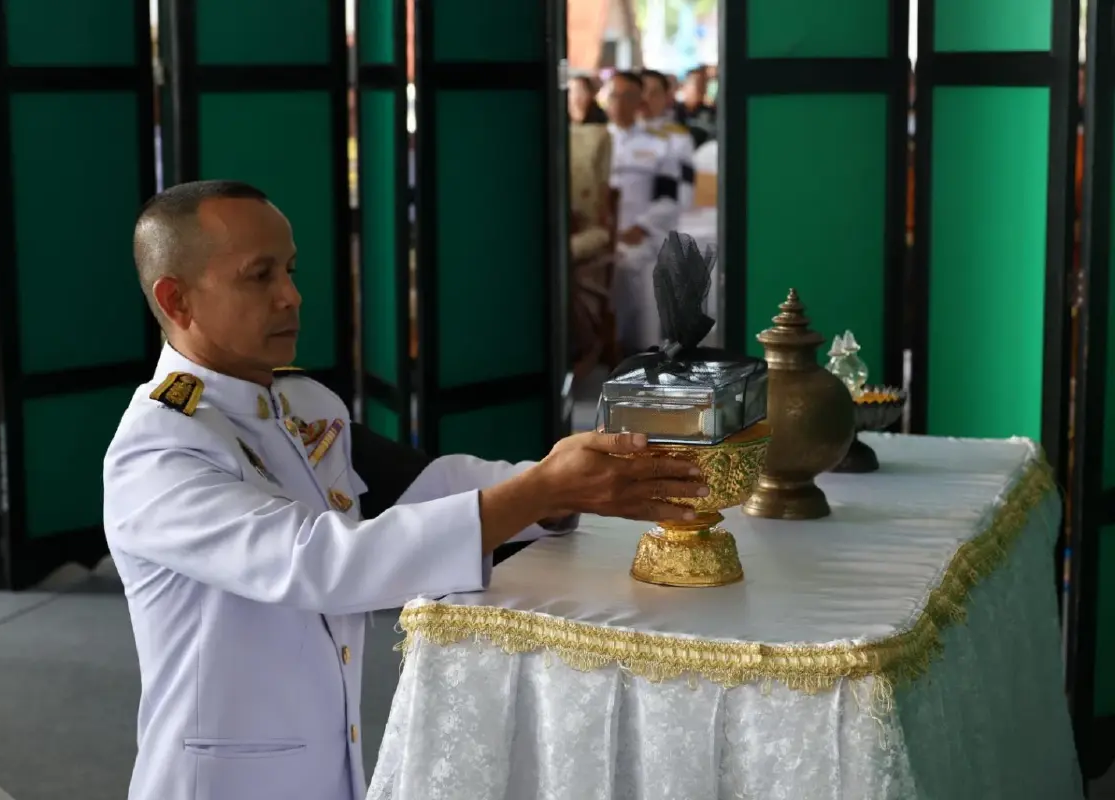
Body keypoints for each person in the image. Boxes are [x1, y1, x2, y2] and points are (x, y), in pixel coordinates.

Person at [103, 180, 707, 800]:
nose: (292, 296)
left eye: (289, 270)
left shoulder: (302, 402)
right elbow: (319, 563)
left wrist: (558, 485)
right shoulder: (160, 449)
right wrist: (539, 492)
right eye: (259, 277)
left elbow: (425, 486)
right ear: (177, 301)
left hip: (326, 767)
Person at [605, 72, 682, 353]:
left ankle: (629, 348)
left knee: (626, 268)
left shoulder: (659, 146)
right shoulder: (594, 142)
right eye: (614, 95)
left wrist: (642, 227)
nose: (619, 103)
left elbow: (669, 202)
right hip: (599, 236)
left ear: (640, 102)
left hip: (639, 237)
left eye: (627, 96)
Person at [640, 69, 698, 210]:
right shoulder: (614, 133)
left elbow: (686, 189)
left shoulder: (680, 139)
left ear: (666, 98)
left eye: (654, 93)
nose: (646, 98)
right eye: (642, 91)